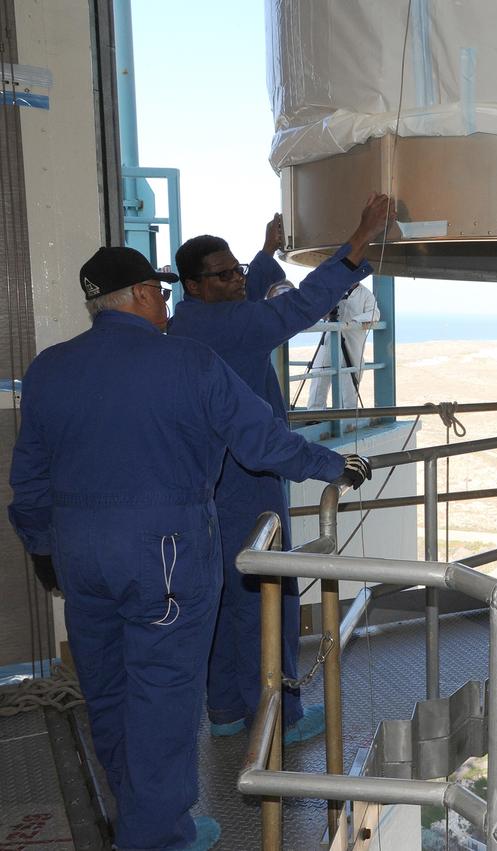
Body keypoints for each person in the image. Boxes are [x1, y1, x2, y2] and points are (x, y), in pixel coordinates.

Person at [8, 246, 371, 851]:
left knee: (109, 690)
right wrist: (335, 463)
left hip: (81, 558)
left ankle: (136, 810)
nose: (166, 301)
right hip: (166, 559)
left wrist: (47, 552)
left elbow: (30, 482)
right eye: (161, 291)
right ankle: (156, 835)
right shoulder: (188, 362)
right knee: (162, 696)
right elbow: (261, 443)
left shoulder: (50, 368)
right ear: (145, 295)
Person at [168, 194, 392, 744]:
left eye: (238, 271)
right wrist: (358, 241)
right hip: (248, 481)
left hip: (205, 483)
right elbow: (295, 309)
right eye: (222, 276)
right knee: (268, 594)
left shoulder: (189, 323)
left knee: (224, 593)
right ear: (192, 285)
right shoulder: (231, 327)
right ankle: (282, 717)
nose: (236, 280)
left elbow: (250, 298)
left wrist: (265, 256)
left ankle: (222, 710)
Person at [306, 279, 381, 410]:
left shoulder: (366, 294)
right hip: (330, 339)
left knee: (350, 379)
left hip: (352, 342)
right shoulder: (334, 289)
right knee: (320, 374)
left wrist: (354, 321)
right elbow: (321, 312)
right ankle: (314, 412)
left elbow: (374, 313)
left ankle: (348, 417)